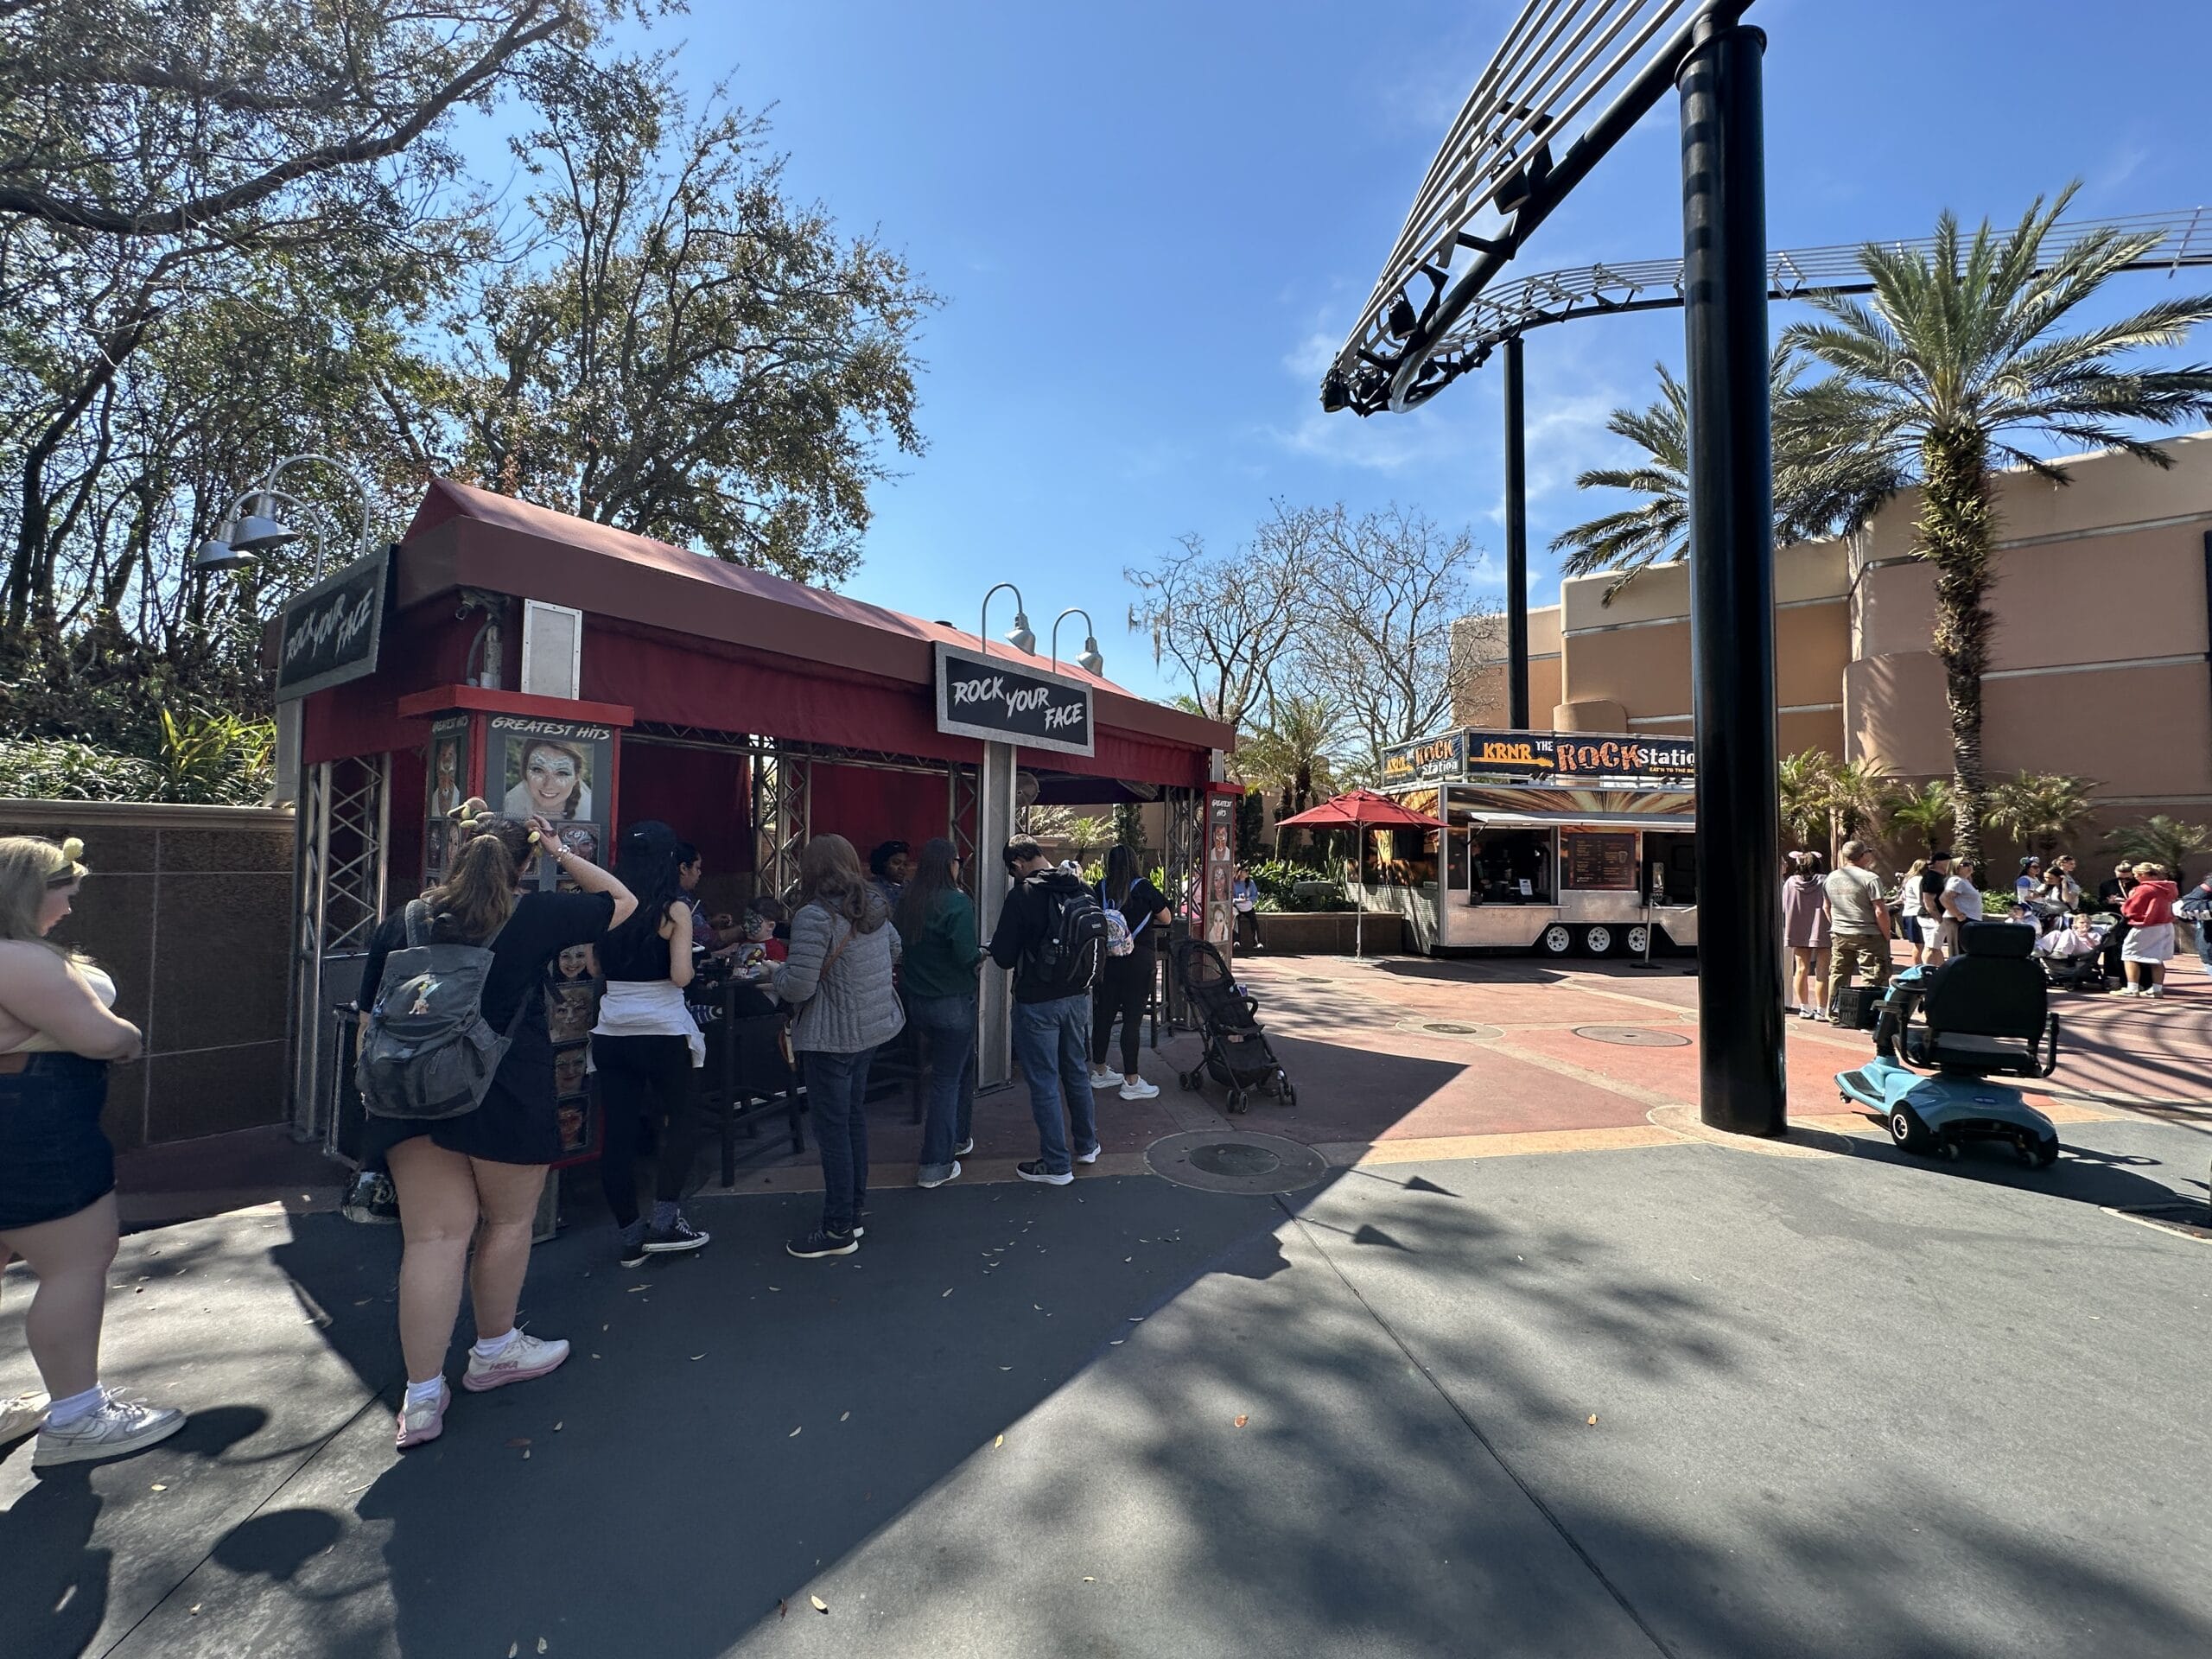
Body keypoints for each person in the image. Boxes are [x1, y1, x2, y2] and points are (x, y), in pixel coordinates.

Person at [358, 813, 634, 1450]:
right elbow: (621, 902)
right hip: (505, 1092)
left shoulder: (405, 920)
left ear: (457, 854)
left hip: (410, 1098)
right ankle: (493, 1350)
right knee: (508, 1224)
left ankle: (421, 1399)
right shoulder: (534, 915)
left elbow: (371, 1022)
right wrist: (563, 853)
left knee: (432, 1239)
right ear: (523, 865)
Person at [0, 836, 184, 1467]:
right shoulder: (19, 959)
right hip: (34, 1123)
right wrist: (126, 1036)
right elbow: (104, 1038)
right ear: (28, 893)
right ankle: (77, 1416)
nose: (70, 909)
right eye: (65, 894)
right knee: (76, 1263)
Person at [775, 836, 905, 1258]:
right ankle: (853, 1211)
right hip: (871, 1029)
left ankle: (837, 1228)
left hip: (830, 1036)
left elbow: (798, 987)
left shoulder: (814, 916)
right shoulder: (873, 904)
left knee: (833, 1132)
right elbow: (896, 948)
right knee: (851, 1121)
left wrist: (775, 974)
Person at [591, 821, 712, 1266]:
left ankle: (629, 1235)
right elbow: (680, 976)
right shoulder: (674, 909)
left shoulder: (604, 905)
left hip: (612, 1030)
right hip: (663, 1028)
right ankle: (665, 1221)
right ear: (668, 860)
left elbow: (594, 967)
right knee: (683, 1120)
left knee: (618, 1133)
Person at [988, 836, 1102, 1187]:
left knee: (1044, 1081)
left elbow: (1004, 956)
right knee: (1077, 1072)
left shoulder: (1022, 895)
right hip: (1078, 997)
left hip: (1037, 1002)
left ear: (1018, 863)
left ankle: (1056, 1163)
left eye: (1013, 870)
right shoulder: (1081, 887)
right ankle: (1087, 1145)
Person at [895, 839, 983, 1191]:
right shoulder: (957, 903)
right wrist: (980, 956)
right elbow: (965, 955)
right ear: (950, 864)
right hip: (953, 1001)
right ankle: (935, 1163)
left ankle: (958, 1137)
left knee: (958, 1069)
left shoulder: (908, 900)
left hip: (918, 1001)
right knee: (947, 1080)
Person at [1089, 844, 1171, 1097]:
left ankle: (1099, 1071)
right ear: (1135, 863)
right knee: (1132, 1021)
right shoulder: (1143, 888)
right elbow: (1166, 918)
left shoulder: (1101, 888)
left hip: (1107, 963)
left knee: (1103, 1016)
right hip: (1138, 962)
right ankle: (1132, 1081)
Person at [1823, 839, 1892, 1024]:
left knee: (1838, 973)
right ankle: (1869, 1016)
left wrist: (1837, 925)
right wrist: (1886, 934)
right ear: (1862, 856)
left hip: (1840, 933)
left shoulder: (1831, 877)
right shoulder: (1870, 878)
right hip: (1868, 933)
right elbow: (1880, 910)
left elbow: (1826, 907)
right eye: (1868, 852)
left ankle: (1834, 1013)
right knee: (1873, 974)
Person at [2117, 861, 2179, 999]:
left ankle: (2132, 988)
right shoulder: (2168, 888)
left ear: (2145, 874)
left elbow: (2131, 909)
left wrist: (2124, 905)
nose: (2135, 877)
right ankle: (2157, 990)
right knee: (2157, 957)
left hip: (2147, 925)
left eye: (2137, 874)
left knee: (2129, 954)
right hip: (2166, 924)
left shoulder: (2144, 889)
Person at [1781, 851, 1831, 1021]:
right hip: (1823, 927)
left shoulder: (1790, 882)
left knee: (1801, 969)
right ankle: (1822, 1009)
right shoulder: (1825, 881)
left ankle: (1804, 1007)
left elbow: (1784, 905)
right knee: (1822, 970)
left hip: (1797, 928)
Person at [503, 739, 592, 822]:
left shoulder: (587, 812)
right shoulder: (512, 804)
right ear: (524, 771)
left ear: (576, 777)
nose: (548, 785)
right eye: (538, 770)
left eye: (561, 773)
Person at [2096, 859, 2139, 982]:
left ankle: (2130, 979)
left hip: (2133, 919)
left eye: (2127, 878)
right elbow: (2100, 902)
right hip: (2115, 919)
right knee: (2112, 948)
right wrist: (2109, 902)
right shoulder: (2107, 885)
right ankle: (2112, 976)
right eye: (2120, 878)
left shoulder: (2139, 885)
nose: (2124, 881)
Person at [1938, 855, 1985, 957]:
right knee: (1959, 953)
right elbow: (1945, 898)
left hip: (1970, 920)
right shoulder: (1956, 880)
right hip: (1960, 921)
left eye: (1971, 864)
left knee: (1968, 953)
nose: (1970, 866)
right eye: (1966, 864)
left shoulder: (1966, 881)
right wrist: (1958, 915)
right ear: (1956, 867)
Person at [1917, 851, 1955, 964]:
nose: (1950, 863)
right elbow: (1928, 900)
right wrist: (1938, 918)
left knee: (1936, 947)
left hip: (1937, 917)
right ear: (1938, 862)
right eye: (1948, 861)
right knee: (1930, 947)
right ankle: (1926, 970)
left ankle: (1940, 970)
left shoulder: (1940, 877)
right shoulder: (1932, 877)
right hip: (1930, 918)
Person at [1896, 858, 1930, 969]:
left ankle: (1920, 966)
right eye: (1928, 867)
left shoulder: (1909, 880)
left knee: (1920, 945)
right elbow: (1921, 898)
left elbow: (1902, 899)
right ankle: (1918, 968)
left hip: (1910, 913)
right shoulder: (1918, 880)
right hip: (1916, 914)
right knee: (1920, 945)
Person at [867, 841, 911, 910]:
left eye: (905, 864)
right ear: (884, 863)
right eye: (896, 863)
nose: (902, 868)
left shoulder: (911, 886)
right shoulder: (872, 889)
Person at [1230, 863, 1261, 952]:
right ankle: (1236, 941)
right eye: (1246, 870)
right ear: (1240, 872)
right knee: (1236, 916)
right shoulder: (1233, 883)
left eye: (1248, 870)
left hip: (1247, 906)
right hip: (1236, 906)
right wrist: (1238, 900)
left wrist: (1248, 899)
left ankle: (1257, 942)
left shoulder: (1251, 883)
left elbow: (1255, 896)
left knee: (1253, 919)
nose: (1248, 872)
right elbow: (1230, 897)